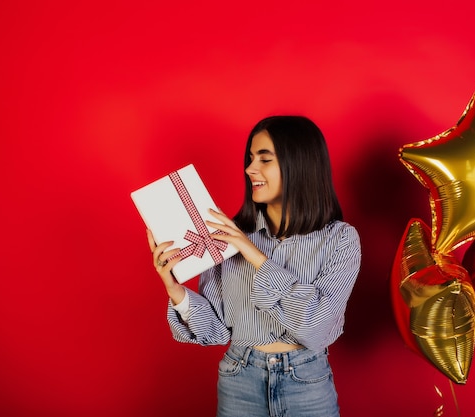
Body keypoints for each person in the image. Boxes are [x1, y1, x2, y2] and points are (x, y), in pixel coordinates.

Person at [147, 115, 361, 417]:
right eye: (250, 159)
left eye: (264, 159)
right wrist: (174, 288)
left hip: (308, 384)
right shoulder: (227, 235)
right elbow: (217, 330)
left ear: (298, 164)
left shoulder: (340, 239)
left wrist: (255, 256)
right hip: (240, 380)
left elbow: (317, 328)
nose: (250, 170)